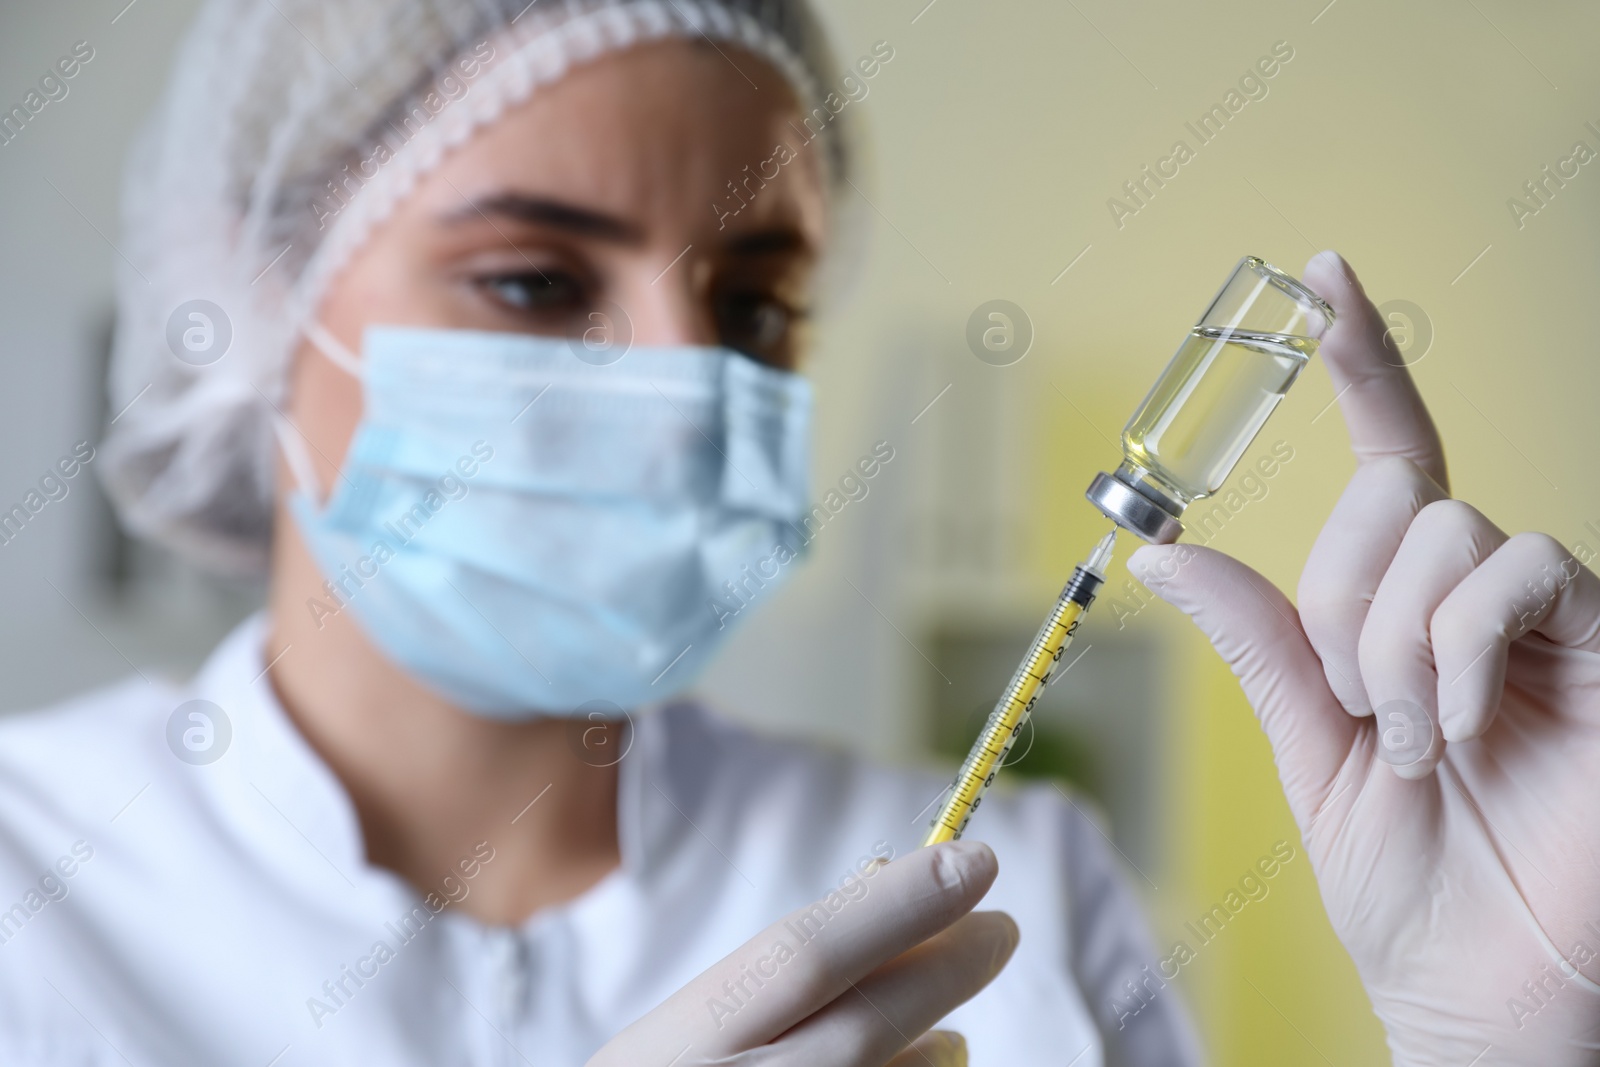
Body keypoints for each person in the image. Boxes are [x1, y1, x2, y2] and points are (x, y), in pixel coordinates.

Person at [0, 0, 1594, 1064]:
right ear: (252, 305)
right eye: (538, 283)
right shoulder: (31, 890)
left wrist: (1504, 1048)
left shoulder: (1005, 889)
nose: (690, 376)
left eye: (756, 302)